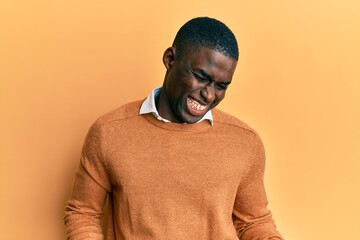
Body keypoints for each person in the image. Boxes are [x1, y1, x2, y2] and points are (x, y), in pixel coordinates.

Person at [64, 17, 283, 240]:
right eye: (200, 77)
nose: (208, 95)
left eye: (221, 86)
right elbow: (83, 213)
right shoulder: (108, 132)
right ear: (170, 59)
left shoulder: (244, 141)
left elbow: (254, 222)